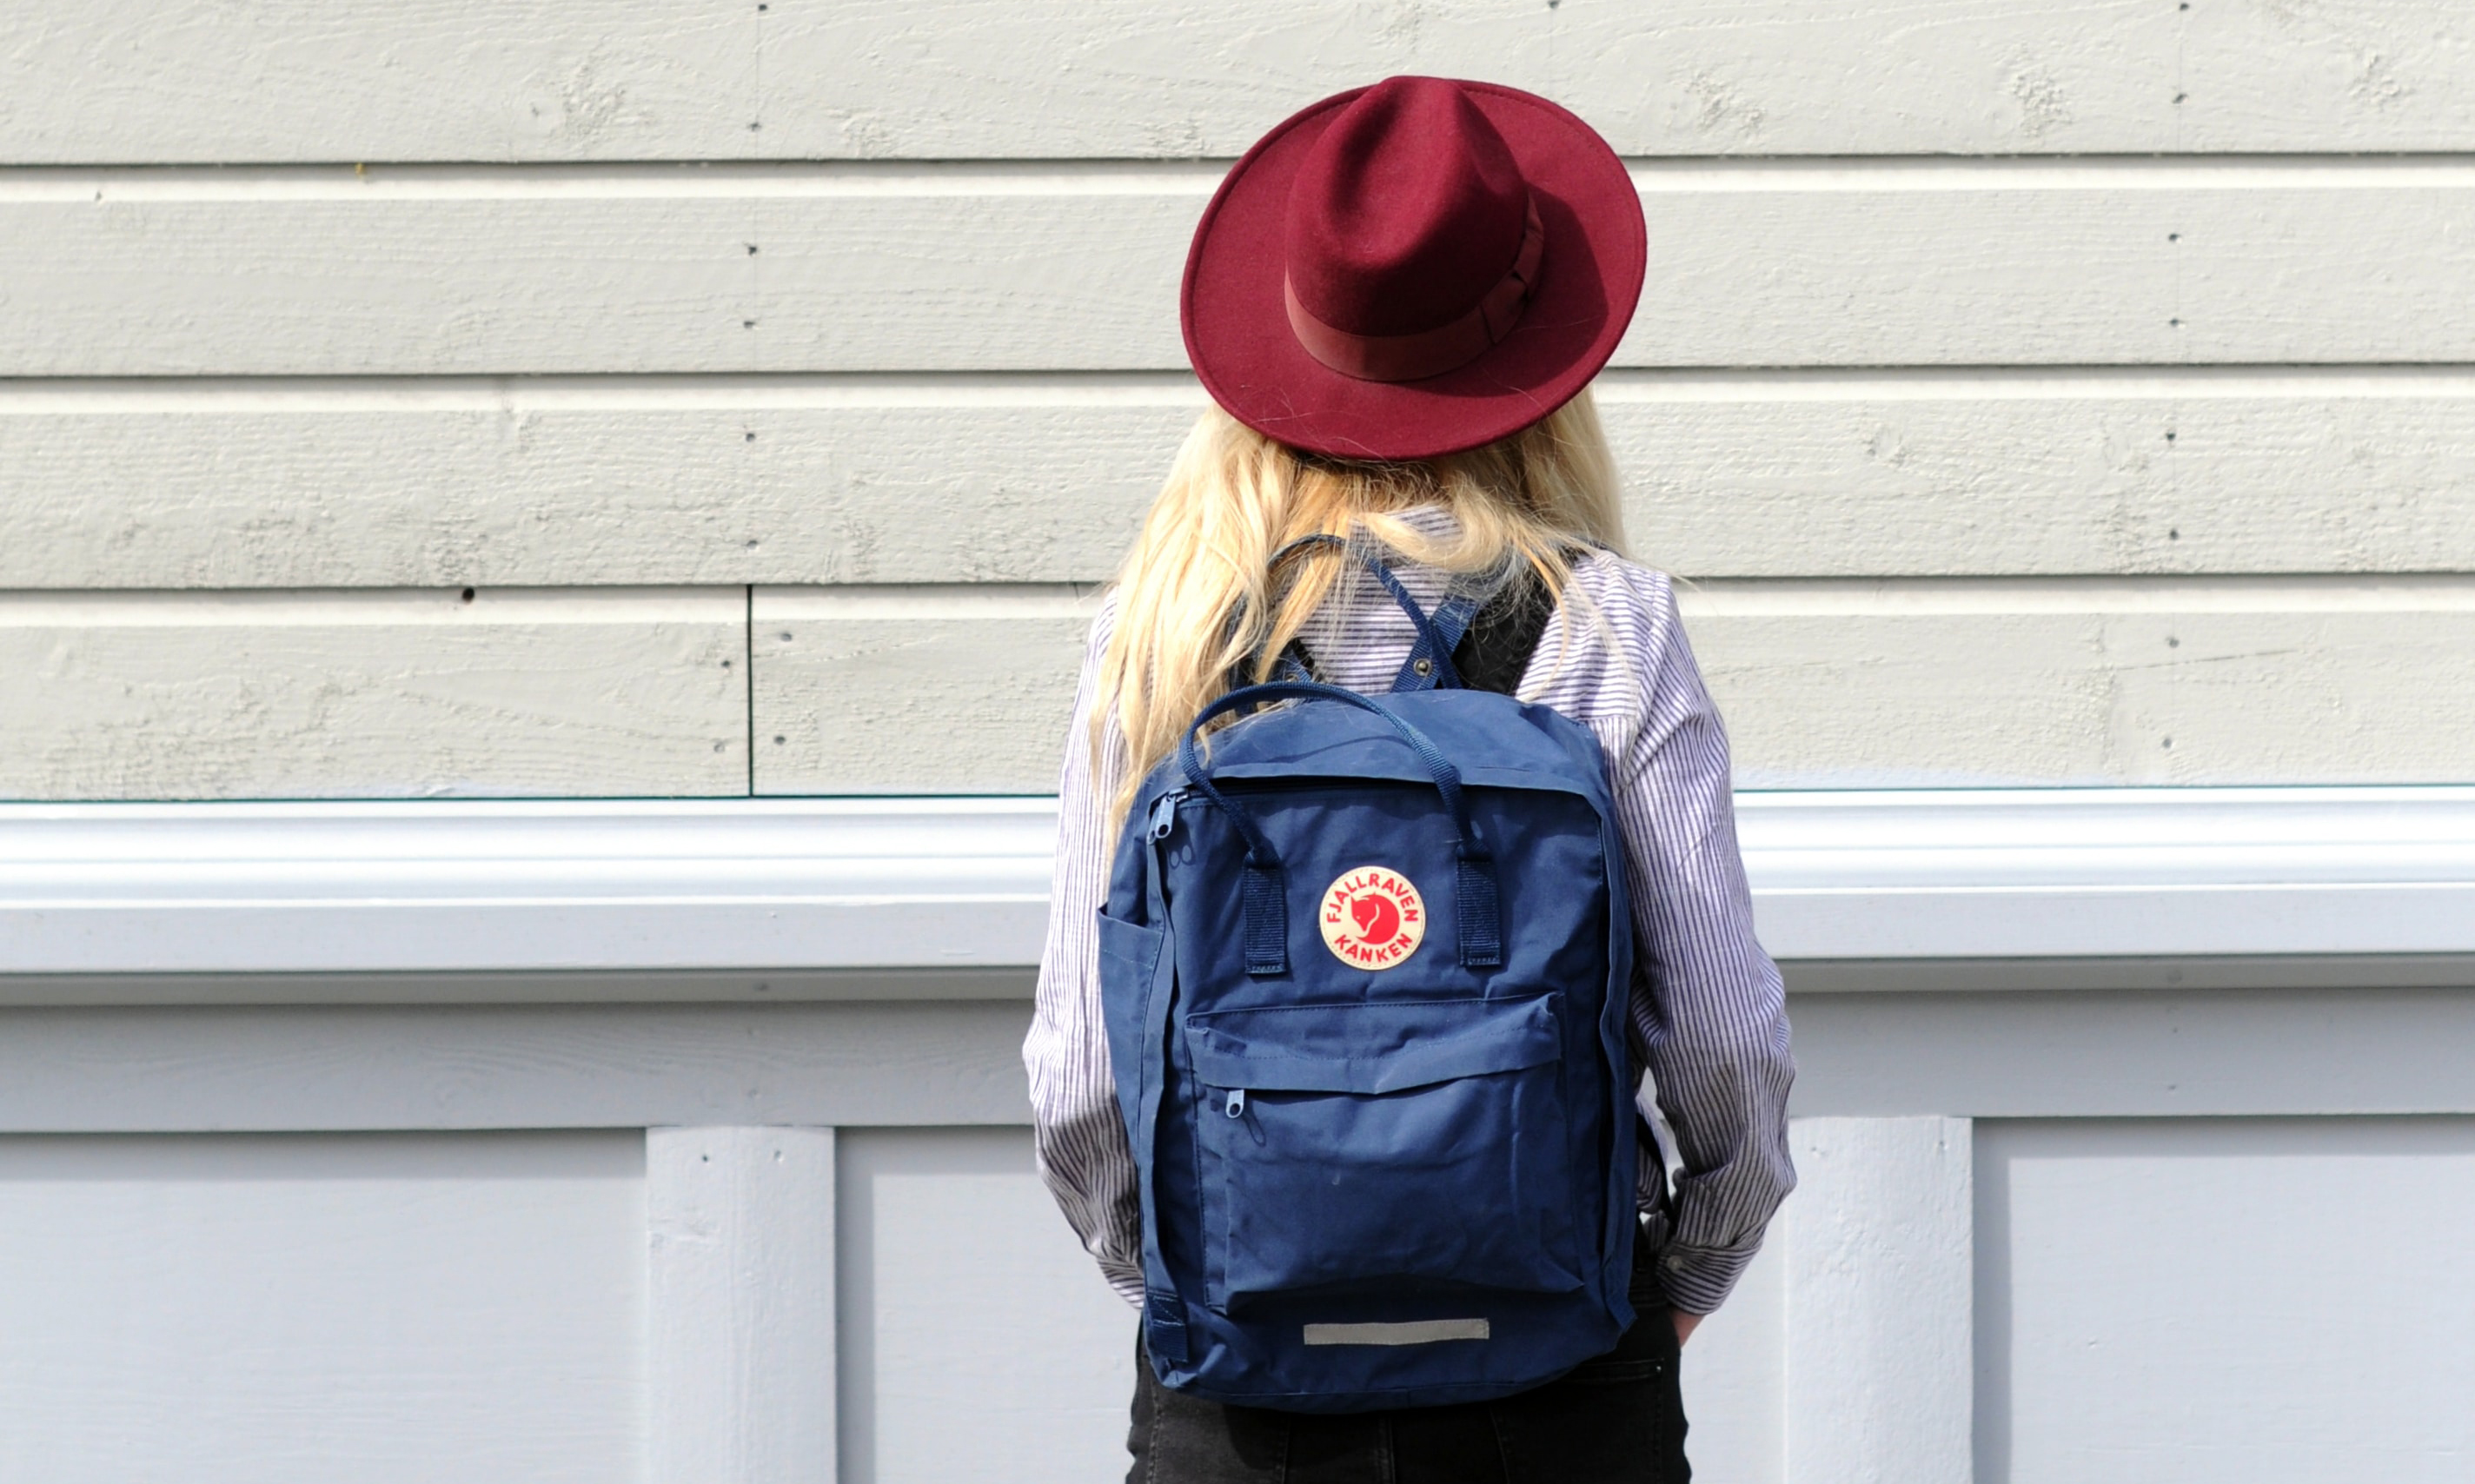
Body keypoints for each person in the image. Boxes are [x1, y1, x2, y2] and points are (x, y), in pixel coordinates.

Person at [1025, 75, 1795, 1483]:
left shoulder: (1160, 639)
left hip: (1240, 1396)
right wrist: (1685, 1271)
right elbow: (1725, 1041)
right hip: (1559, 1371)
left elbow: (1080, 1080)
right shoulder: (1604, 624)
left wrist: (1193, 1280)